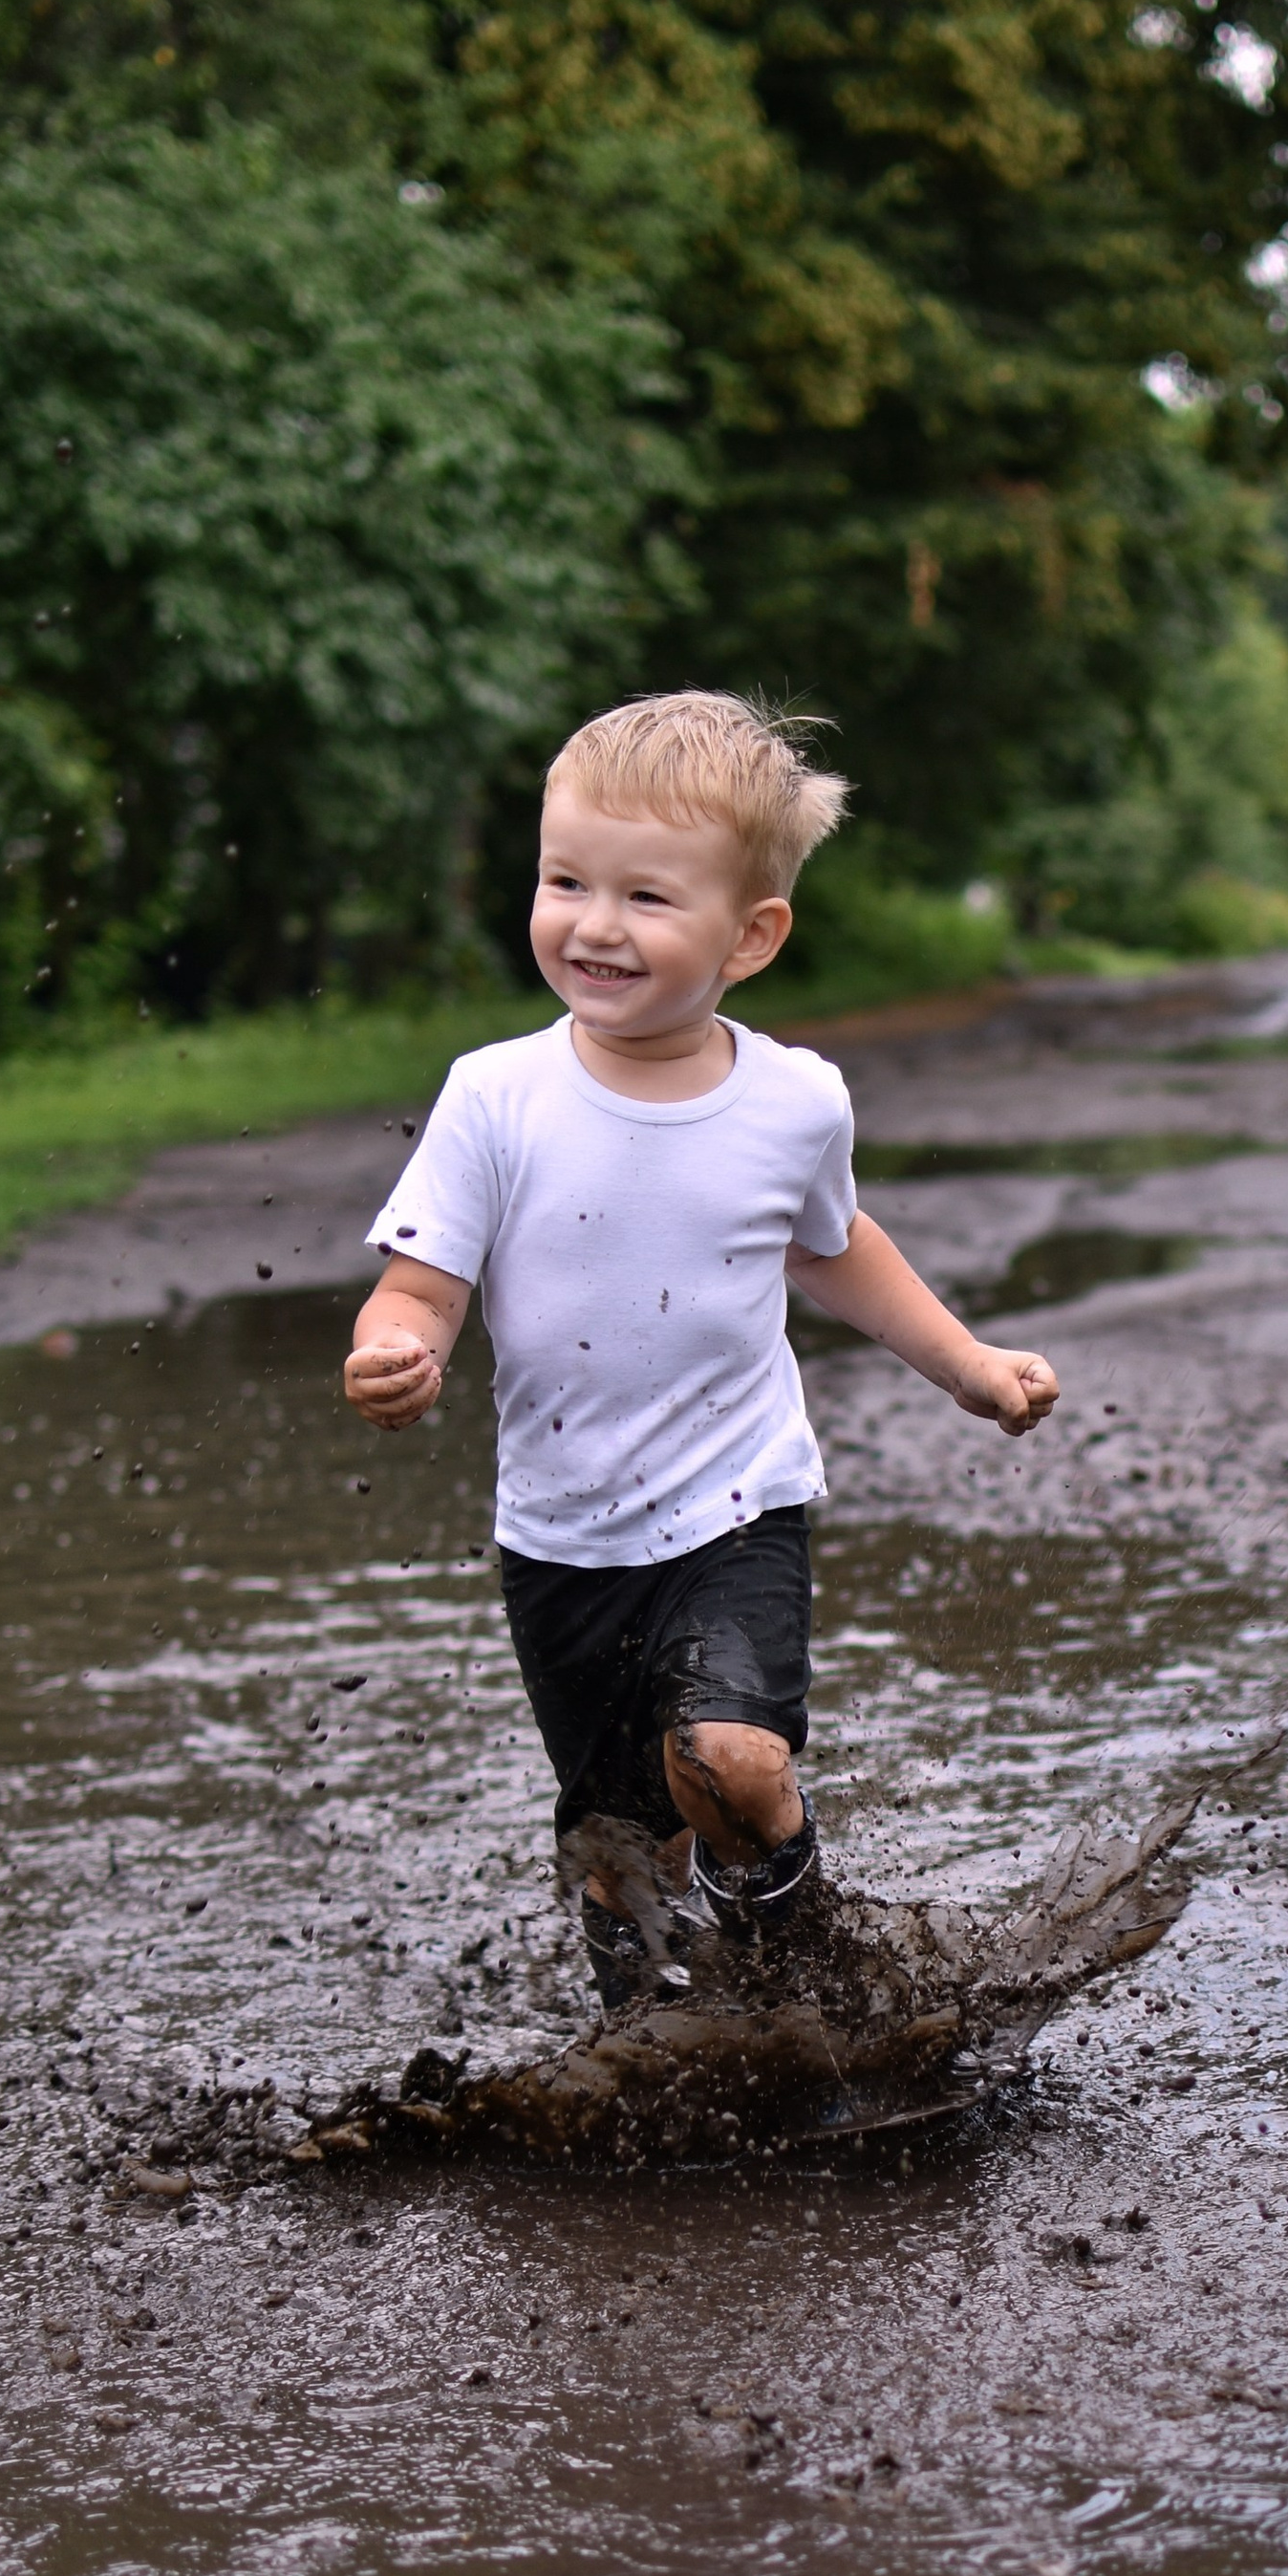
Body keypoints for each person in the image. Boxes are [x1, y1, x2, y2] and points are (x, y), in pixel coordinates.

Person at [344, 690, 1059, 1991]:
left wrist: (970, 1367)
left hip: (737, 1505)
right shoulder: (497, 1095)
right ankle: (656, 2047)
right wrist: (398, 1347)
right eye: (567, 880)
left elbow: (835, 1247)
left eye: (648, 899)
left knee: (728, 1761)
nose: (595, 925)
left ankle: (801, 1959)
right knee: (622, 1850)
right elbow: (423, 1281)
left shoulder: (792, 1101)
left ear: (752, 934)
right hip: (561, 1537)